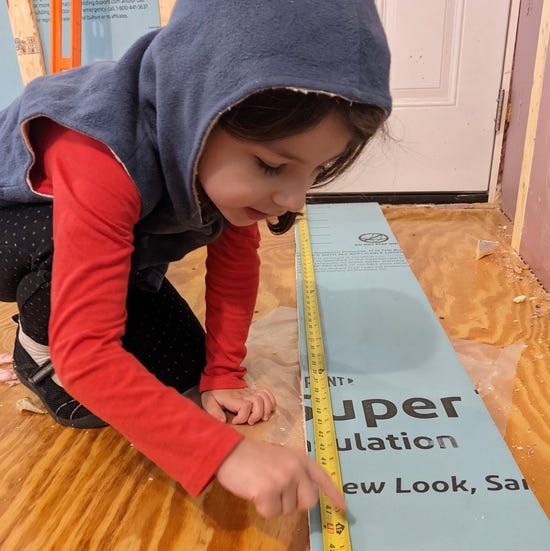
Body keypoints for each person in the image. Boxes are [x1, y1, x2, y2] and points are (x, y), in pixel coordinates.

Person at [0, 0, 391, 518]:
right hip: (19, 225)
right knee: (92, 396)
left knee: (184, 371)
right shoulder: (99, 153)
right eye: (272, 165)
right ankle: (37, 345)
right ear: (196, 114)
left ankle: (108, 288)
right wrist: (225, 454)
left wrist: (224, 372)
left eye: (315, 170)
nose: (295, 199)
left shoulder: (208, 144)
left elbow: (235, 266)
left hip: (117, 230)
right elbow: (88, 352)